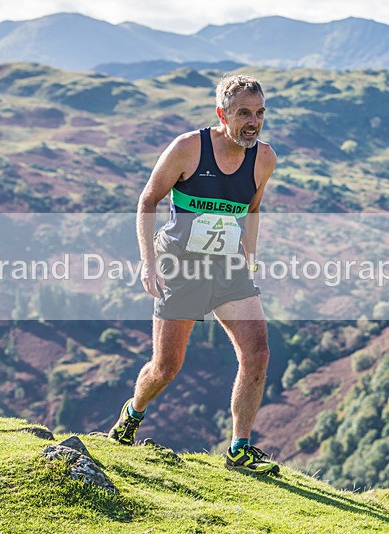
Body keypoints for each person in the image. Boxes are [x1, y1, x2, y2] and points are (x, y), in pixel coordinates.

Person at [107, 73, 279, 475]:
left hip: (228, 268)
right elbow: (148, 199)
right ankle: (133, 412)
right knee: (166, 368)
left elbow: (251, 210)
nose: (253, 122)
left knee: (258, 352)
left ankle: (239, 447)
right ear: (222, 114)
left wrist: (249, 257)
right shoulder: (188, 148)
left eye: (259, 113)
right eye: (243, 114)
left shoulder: (264, 158)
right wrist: (149, 263)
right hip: (181, 267)